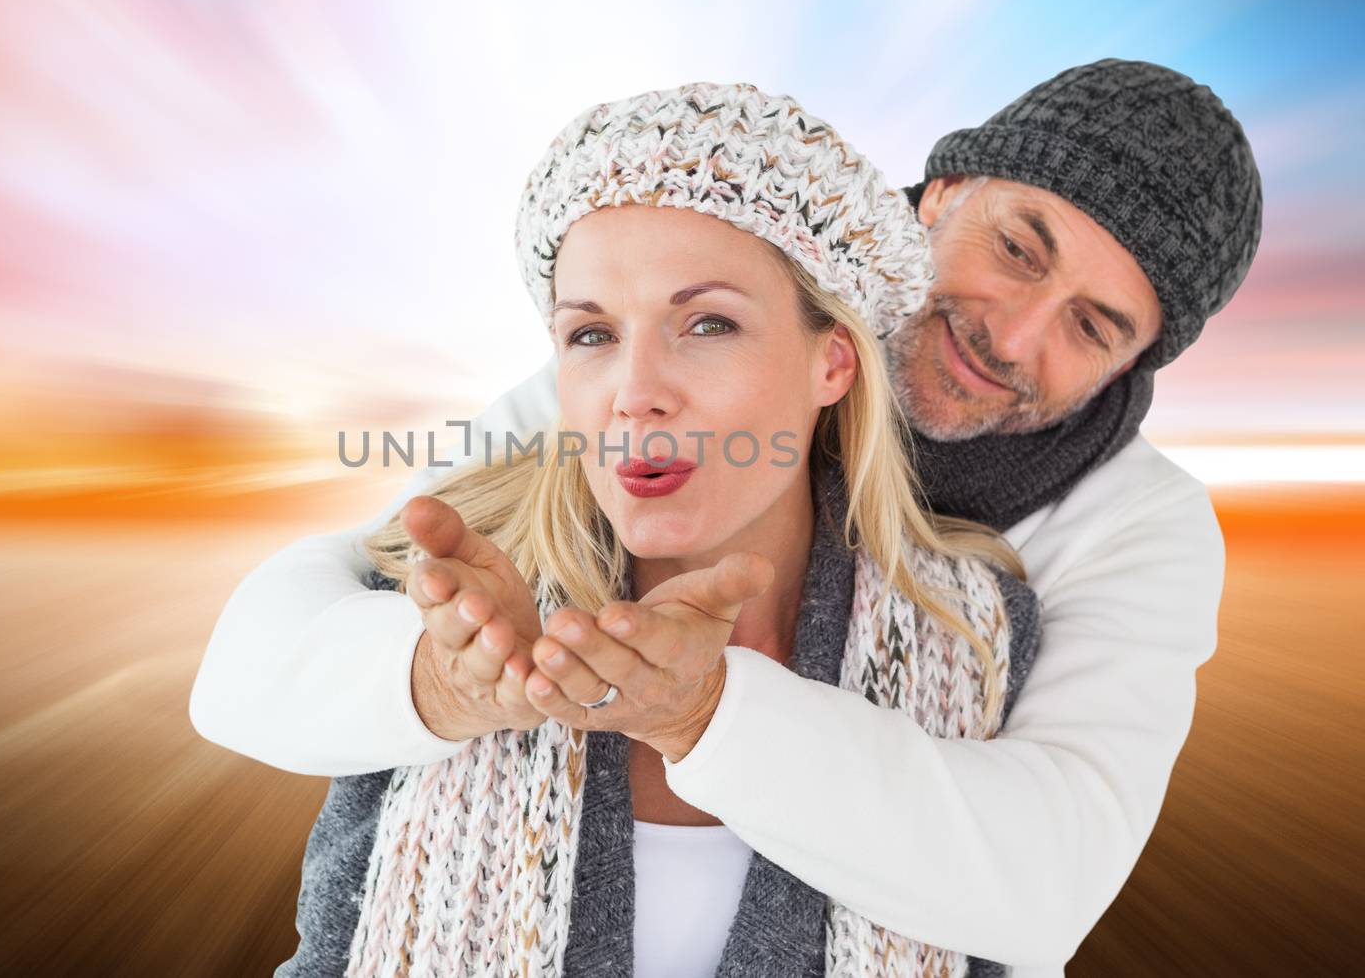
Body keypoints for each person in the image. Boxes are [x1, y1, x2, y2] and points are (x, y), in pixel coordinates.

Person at [190, 60, 1263, 976]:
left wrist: (704, 711)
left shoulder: (1125, 530)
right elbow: (313, 626)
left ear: (1134, 362)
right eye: (1018, 248)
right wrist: (442, 673)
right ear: (937, 196)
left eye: (1091, 323)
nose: (1013, 335)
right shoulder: (669, 350)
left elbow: (1045, 877)